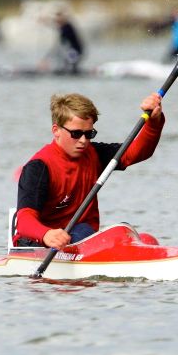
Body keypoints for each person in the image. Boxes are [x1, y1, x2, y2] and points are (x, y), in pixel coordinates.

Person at [14, 92, 164, 249]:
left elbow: (136, 152)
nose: (83, 141)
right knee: (84, 231)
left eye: (89, 134)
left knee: (100, 231)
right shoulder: (39, 168)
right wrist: (47, 234)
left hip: (79, 237)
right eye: (76, 134)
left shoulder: (94, 153)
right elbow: (24, 220)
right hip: (37, 243)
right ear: (56, 130)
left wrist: (154, 122)